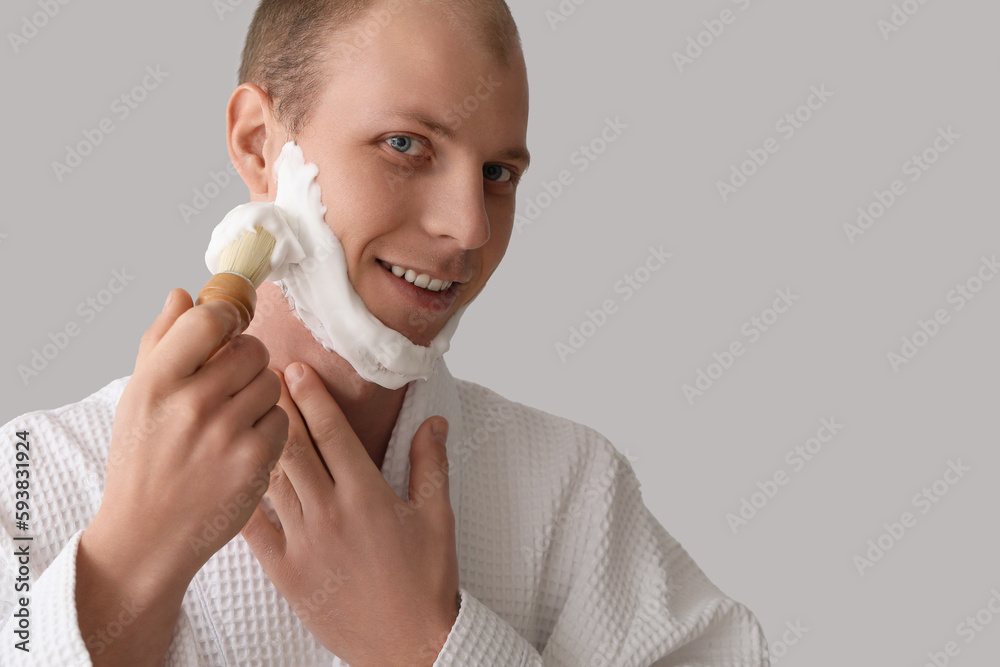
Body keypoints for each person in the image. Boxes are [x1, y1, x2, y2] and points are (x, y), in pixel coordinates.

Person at [0, 0, 770, 664]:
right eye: (406, 145)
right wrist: (130, 558)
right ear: (258, 145)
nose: (469, 228)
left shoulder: (573, 492)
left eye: (499, 173)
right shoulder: (27, 476)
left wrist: (427, 644)